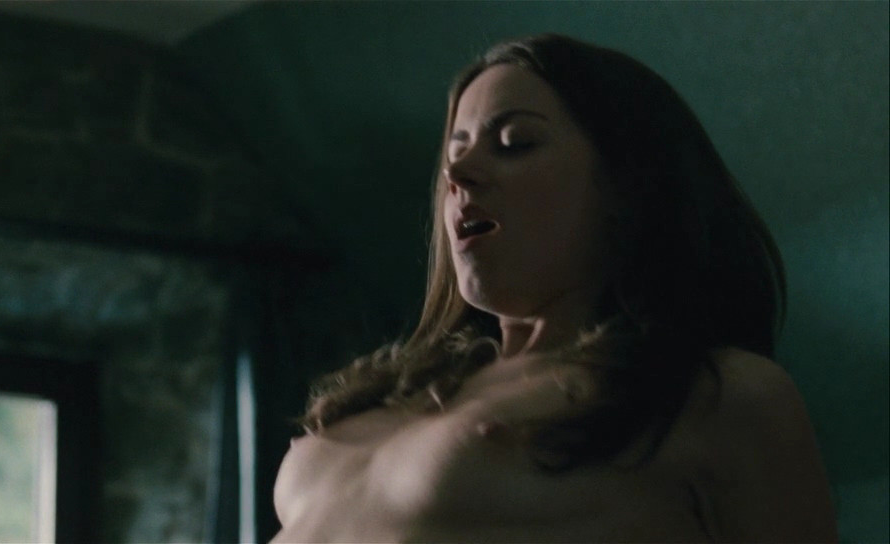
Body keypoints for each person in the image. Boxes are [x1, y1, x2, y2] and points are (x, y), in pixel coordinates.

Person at [270, 34, 838, 543]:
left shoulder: (716, 396)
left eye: (514, 143)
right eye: (455, 151)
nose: (457, 173)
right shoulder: (387, 397)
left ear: (627, 189)